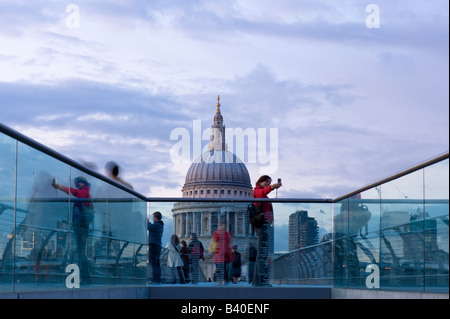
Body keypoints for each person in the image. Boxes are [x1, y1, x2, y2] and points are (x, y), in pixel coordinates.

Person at [53, 176, 94, 284]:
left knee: (81, 252)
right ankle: (85, 277)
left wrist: (60, 187)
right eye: (75, 183)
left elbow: (76, 193)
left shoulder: (85, 192)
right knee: (81, 252)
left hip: (81, 226)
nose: (76, 185)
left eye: (77, 183)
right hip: (81, 226)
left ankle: (85, 278)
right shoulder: (86, 193)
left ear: (82, 183)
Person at [252, 175, 281, 286]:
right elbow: (261, 194)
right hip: (262, 224)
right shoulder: (257, 191)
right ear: (260, 182)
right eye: (266, 182)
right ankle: (259, 282)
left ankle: (257, 282)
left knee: (262, 253)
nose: (268, 184)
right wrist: (273, 187)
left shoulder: (262, 193)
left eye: (269, 183)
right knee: (262, 254)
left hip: (266, 224)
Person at [148, 211, 164, 284]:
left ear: (156, 217)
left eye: (153, 217)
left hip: (154, 245)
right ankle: (157, 278)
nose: (152, 218)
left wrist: (147, 222)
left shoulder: (157, 225)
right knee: (155, 262)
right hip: (156, 245)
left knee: (154, 262)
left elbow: (149, 227)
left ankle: (156, 279)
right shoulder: (159, 225)